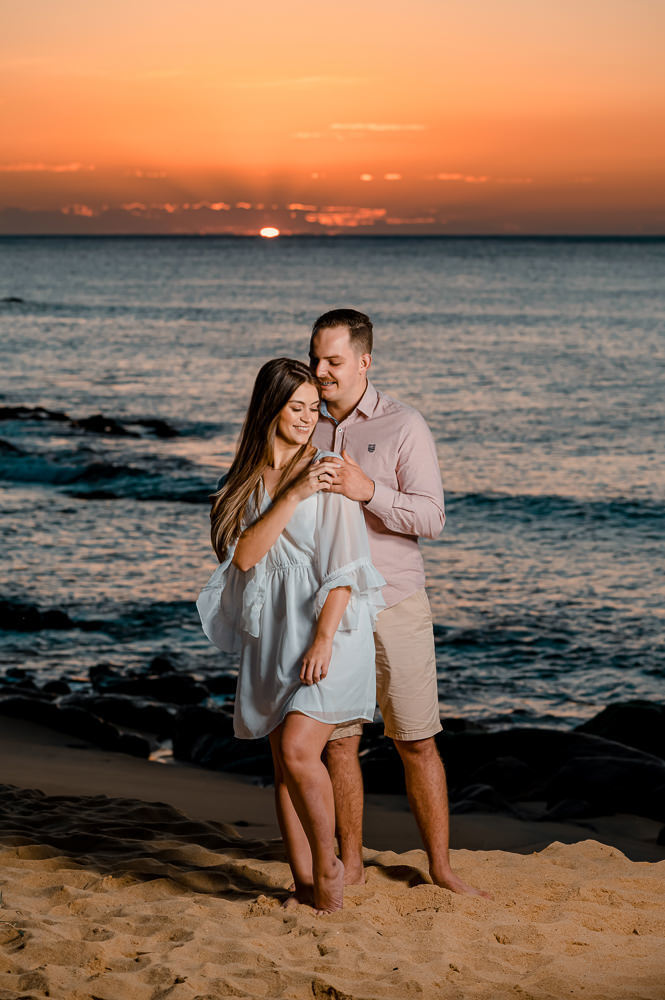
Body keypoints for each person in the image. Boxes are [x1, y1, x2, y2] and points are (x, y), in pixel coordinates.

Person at [309, 309, 488, 898]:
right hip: (328, 607)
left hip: (395, 600)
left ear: (364, 361)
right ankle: (352, 863)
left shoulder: (404, 424)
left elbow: (432, 518)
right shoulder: (301, 420)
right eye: (316, 358)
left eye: (333, 361)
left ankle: (440, 867)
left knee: (415, 738)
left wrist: (369, 492)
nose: (320, 371)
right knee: (339, 741)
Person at [196, 357, 385, 914]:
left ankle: (328, 868)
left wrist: (324, 639)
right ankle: (304, 885)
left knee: (303, 750)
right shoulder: (245, 482)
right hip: (272, 633)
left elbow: (346, 569)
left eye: (313, 407)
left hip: (330, 629)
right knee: (283, 765)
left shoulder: (328, 468)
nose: (307, 418)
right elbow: (246, 558)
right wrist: (292, 495)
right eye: (296, 407)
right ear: (269, 409)